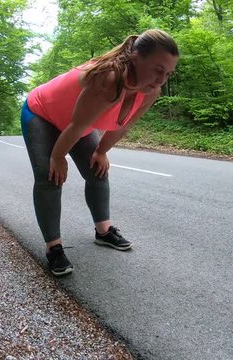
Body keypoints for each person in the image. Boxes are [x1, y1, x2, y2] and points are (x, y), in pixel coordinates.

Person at [20, 29, 179, 276]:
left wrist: (102, 152)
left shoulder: (151, 91)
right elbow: (78, 126)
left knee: (98, 171)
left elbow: (123, 125)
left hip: (77, 123)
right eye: (158, 70)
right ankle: (54, 248)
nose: (161, 80)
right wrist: (57, 156)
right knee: (50, 177)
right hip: (42, 114)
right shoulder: (109, 78)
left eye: (168, 74)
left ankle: (103, 231)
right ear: (136, 57)